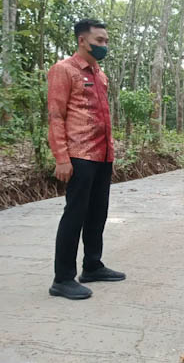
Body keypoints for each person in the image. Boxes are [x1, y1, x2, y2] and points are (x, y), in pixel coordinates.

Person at [46, 19, 125, 300]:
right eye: (99, 40)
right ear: (82, 40)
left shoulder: (99, 74)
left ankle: (92, 265)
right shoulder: (63, 70)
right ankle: (62, 278)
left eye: (106, 41)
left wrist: (111, 153)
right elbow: (56, 115)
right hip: (79, 154)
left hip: (103, 155)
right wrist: (61, 157)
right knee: (75, 215)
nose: (104, 45)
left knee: (97, 213)